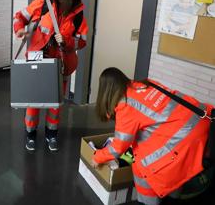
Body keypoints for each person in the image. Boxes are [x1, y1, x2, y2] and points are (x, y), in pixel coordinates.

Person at [91, 67, 213, 205]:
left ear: (105, 91)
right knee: (174, 171)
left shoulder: (126, 105)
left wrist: (98, 157)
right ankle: (173, 195)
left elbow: (118, 147)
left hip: (185, 138)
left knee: (144, 165)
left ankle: (147, 202)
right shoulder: (147, 84)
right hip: (201, 122)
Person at [13, 0, 88, 152]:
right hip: (37, 62)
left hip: (60, 64)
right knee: (34, 101)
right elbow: (20, 17)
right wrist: (20, 30)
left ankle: (51, 134)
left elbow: (83, 40)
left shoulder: (78, 14)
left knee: (55, 103)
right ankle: (30, 134)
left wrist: (68, 40)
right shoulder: (43, 3)